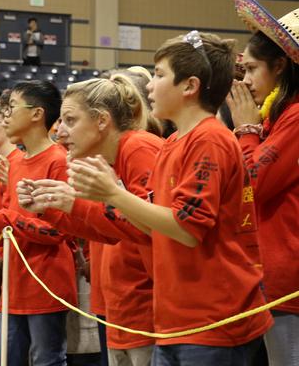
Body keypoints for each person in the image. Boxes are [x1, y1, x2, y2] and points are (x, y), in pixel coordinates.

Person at [67, 31, 273, 365]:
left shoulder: (210, 140)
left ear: (190, 86)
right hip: (178, 320)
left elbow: (187, 229)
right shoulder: (175, 141)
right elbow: (149, 226)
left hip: (213, 322)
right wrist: (87, 202)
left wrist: (113, 193)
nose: (149, 85)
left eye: (160, 75)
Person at [20, 75, 162, 366]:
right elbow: (109, 230)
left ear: (101, 121)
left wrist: (71, 203)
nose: (60, 131)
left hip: (147, 304)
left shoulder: (138, 148)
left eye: (70, 120)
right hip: (122, 303)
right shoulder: (110, 158)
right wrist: (53, 207)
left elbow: (147, 228)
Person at [0, 80, 76, 366]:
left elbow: (58, 231)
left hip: (46, 281)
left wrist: (3, 220)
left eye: (12, 107)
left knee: (46, 360)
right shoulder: (16, 161)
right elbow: (9, 219)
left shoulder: (58, 161)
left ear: (36, 114)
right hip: (14, 282)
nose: (6, 115)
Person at [227, 0, 299, 366]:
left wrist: (247, 130)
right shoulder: (276, 113)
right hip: (266, 271)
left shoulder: (295, 116)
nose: (246, 80)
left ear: (281, 67)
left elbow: (256, 183)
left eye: (252, 69)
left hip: (287, 279)